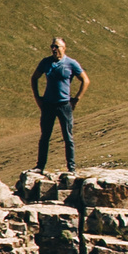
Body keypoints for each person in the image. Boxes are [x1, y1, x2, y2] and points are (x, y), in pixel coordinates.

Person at [31, 36, 89, 171]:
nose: (54, 49)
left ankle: (71, 167)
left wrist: (76, 99)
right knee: (45, 136)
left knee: (68, 137)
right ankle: (40, 166)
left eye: (56, 47)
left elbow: (85, 80)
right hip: (48, 104)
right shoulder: (46, 62)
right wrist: (37, 97)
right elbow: (34, 78)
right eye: (52, 46)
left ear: (64, 48)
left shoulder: (71, 63)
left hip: (64, 105)